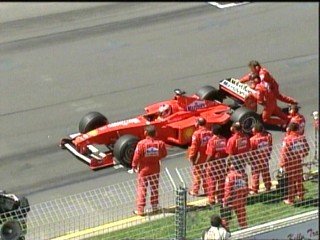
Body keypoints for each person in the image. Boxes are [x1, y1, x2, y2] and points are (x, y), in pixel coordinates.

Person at [132, 125, 167, 216]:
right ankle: (155, 207)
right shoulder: (160, 143)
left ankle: (140, 210)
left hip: (144, 168)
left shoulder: (141, 144)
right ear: (155, 133)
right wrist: (156, 158)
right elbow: (164, 154)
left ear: (145, 133)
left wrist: (134, 165)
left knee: (142, 188)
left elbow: (136, 156)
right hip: (155, 166)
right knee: (154, 187)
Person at [279, 122, 310, 205]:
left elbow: (284, 153)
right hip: (298, 161)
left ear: (290, 129)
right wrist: (302, 155)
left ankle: (291, 199)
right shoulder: (301, 137)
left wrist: (282, 165)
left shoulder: (287, 139)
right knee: (299, 179)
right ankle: (301, 196)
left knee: (291, 181)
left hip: (290, 162)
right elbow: (307, 148)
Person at [188, 117, 212, 196]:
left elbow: (194, 147)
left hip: (199, 156)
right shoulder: (210, 132)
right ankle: (207, 190)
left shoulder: (196, 134)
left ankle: (195, 191)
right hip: (209, 155)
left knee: (197, 173)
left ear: (198, 124)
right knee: (206, 173)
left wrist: (191, 157)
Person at [222, 161, 249, 229]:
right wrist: (245, 198)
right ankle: (244, 231)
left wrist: (225, 201)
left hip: (231, 200)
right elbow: (246, 188)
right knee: (242, 219)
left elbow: (228, 190)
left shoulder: (230, 176)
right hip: (241, 199)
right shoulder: (243, 175)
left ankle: (225, 232)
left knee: (225, 218)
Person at [206, 124, 228, 205]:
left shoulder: (212, 141)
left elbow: (210, 154)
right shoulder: (224, 140)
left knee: (212, 181)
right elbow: (226, 152)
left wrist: (206, 163)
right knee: (221, 181)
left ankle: (212, 199)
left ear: (213, 131)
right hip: (222, 162)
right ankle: (220, 198)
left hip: (213, 163)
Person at [249, 122, 272, 194]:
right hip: (265, 158)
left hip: (256, 160)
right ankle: (268, 187)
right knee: (266, 173)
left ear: (255, 129)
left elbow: (251, 151)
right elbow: (270, 146)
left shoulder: (252, 139)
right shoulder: (267, 137)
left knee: (255, 175)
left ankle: (255, 189)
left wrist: (250, 159)